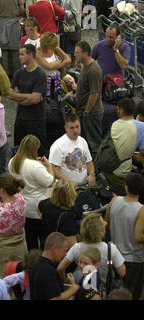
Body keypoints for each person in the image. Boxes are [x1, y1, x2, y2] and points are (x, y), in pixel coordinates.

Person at [58, 213, 126, 293]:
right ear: (99, 229)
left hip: (82, 288)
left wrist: (66, 281)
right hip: (103, 288)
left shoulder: (77, 247)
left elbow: (60, 268)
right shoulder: (110, 249)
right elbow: (122, 272)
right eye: (103, 222)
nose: (106, 223)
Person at [8, 135, 55, 250]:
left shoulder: (12, 162)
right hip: (37, 209)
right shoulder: (35, 166)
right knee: (44, 241)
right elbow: (51, 182)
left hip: (22, 206)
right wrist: (49, 166)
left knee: (30, 242)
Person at [106, 172, 144, 300]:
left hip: (114, 256)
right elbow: (138, 237)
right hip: (133, 259)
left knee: (115, 293)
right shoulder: (141, 209)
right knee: (131, 295)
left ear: (126, 187)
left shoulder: (114, 201)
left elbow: (107, 223)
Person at [9, 44, 48, 157]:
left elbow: (35, 99)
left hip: (36, 120)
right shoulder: (19, 73)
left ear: (30, 55)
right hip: (21, 119)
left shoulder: (40, 75)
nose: (19, 57)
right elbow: (10, 94)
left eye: (22, 54)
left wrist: (19, 96)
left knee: (38, 153)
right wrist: (27, 97)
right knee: (19, 151)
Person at [99, 98, 144, 196]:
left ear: (120, 110)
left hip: (108, 169)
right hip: (123, 174)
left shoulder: (114, 124)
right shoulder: (141, 127)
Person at [68, 41, 104, 159]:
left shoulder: (93, 70)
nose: (75, 55)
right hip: (84, 112)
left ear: (86, 53)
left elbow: (94, 94)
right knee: (85, 142)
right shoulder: (85, 66)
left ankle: (97, 172)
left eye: (77, 53)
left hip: (91, 113)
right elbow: (86, 88)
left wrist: (87, 112)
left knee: (94, 144)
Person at [49, 113, 97, 189]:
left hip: (85, 186)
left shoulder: (83, 141)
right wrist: (68, 181)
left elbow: (89, 162)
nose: (75, 130)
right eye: (72, 128)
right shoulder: (58, 145)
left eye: (77, 127)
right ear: (66, 128)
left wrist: (91, 174)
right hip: (67, 188)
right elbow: (52, 168)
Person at [30, 232, 79, 300]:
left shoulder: (35, 266)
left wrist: (68, 286)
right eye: (64, 251)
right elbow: (55, 298)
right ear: (55, 250)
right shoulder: (49, 271)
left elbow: (47, 290)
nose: (65, 254)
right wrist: (73, 289)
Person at [36, 179, 78, 250]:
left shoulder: (48, 203)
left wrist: (42, 217)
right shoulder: (66, 217)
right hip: (58, 252)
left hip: (46, 246)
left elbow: (38, 205)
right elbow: (72, 245)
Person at [0, 0, 25, 79]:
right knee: (15, 51)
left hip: (2, 22)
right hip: (14, 23)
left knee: (3, 51)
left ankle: (5, 78)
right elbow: (22, 9)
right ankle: (17, 78)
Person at [35, 32, 71, 99]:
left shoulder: (55, 48)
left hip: (55, 80)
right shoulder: (36, 52)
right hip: (43, 81)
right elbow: (49, 66)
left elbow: (68, 59)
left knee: (56, 101)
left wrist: (58, 66)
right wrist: (60, 61)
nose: (48, 49)